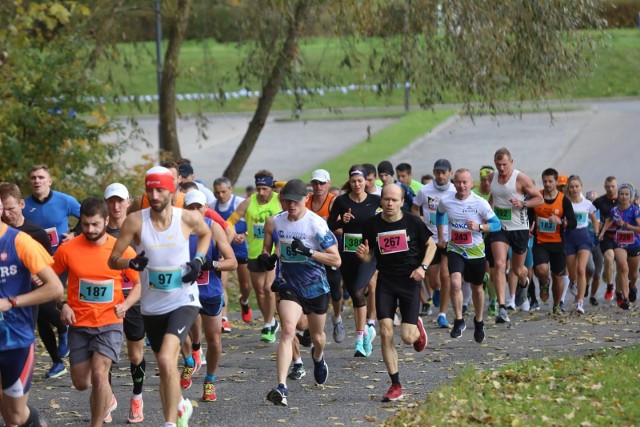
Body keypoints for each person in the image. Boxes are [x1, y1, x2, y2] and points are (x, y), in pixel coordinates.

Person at [108, 166, 212, 427]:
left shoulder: (186, 218)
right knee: (167, 368)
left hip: (184, 300)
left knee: (166, 358)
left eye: (160, 190)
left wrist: (198, 260)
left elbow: (206, 233)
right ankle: (180, 406)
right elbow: (113, 260)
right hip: (152, 306)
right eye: (150, 190)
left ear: (172, 191)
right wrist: (130, 265)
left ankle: (169, 423)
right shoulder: (135, 221)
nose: (154, 195)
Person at [53, 197, 141, 426]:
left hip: (110, 322)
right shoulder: (68, 249)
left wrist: (127, 304)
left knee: (100, 374)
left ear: (106, 220)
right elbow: (50, 280)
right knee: (82, 383)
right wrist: (62, 304)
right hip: (79, 324)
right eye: (85, 224)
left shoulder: (121, 249)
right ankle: (105, 397)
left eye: (95, 224)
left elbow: (140, 283)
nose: (90, 229)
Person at [262, 179, 341, 406]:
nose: (291, 205)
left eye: (296, 201)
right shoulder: (277, 221)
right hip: (289, 285)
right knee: (288, 330)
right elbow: (274, 248)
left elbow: (336, 259)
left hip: (316, 286)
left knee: (317, 337)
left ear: (305, 199)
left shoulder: (316, 224)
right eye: (287, 200)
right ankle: (281, 387)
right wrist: (268, 258)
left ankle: (318, 357)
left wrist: (309, 252)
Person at [356, 184, 435, 402]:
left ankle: (417, 328)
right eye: (386, 199)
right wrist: (363, 256)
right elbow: (370, 256)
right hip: (386, 282)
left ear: (402, 202)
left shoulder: (413, 222)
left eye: (394, 200)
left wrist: (423, 268)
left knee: (408, 338)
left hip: (410, 281)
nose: (390, 203)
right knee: (386, 331)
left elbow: (432, 246)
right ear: (381, 201)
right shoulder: (372, 225)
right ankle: (395, 384)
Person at [0, 195, 64, 427]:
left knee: (15, 415)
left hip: (16, 339)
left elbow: (55, 288)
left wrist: (11, 302)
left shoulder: (19, 241)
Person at [23, 164, 81, 379]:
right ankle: (57, 362)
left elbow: (90, 215)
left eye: (41, 177)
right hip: (36, 265)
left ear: (49, 181)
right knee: (40, 316)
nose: (37, 181)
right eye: (33, 178)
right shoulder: (23, 206)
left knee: (44, 304)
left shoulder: (64, 200)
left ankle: (64, 327)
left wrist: (74, 234)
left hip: (60, 261)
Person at [180, 190, 237, 402]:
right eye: (190, 207)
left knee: (214, 339)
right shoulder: (176, 230)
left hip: (209, 292)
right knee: (175, 333)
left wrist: (211, 264)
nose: (194, 212)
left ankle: (210, 379)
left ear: (206, 208)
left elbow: (232, 262)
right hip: (184, 291)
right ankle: (188, 361)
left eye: (198, 207)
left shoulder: (213, 228)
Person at [436, 169, 501, 341]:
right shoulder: (446, 200)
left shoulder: (480, 203)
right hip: (455, 249)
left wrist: (479, 227)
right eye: (458, 182)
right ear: (453, 183)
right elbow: (440, 214)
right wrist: (441, 235)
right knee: (455, 282)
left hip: (475, 252)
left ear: (472, 184)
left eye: (465, 182)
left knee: (477, 289)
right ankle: (459, 320)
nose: (461, 186)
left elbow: (497, 225)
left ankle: (478, 321)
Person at [103, 183, 147, 423]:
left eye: (120, 201)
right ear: (106, 204)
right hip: (106, 299)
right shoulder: (96, 230)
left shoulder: (138, 230)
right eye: (111, 201)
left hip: (134, 297)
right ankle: (107, 397)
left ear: (128, 202)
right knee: (103, 354)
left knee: (135, 355)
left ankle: (137, 398)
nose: (116, 206)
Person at [328, 166, 381, 356]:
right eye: (353, 181)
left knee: (359, 292)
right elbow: (330, 225)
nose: (357, 184)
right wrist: (343, 220)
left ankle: (359, 339)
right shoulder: (341, 201)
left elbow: (386, 220)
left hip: (368, 254)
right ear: (349, 182)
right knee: (354, 294)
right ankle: (367, 332)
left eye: (360, 181)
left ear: (366, 181)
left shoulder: (376, 201)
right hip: (348, 253)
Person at [226, 170, 282, 343]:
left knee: (268, 288)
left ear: (271, 187)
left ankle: (267, 324)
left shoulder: (279, 199)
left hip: (274, 252)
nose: (261, 192)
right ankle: (271, 321)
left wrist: (279, 185)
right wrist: (234, 234)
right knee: (259, 291)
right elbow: (229, 222)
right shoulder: (248, 203)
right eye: (259, 188)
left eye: (265, 188)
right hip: (254, 253)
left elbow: (298, 189)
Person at [488, 148, 543, 323]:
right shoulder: (492, 177)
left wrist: (523, 203)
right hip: (499, 227)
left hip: (519, 228)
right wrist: (487, 212)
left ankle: (524, 283)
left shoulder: (520, 178)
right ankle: (502, 308)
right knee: (499, 264)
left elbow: (539, 199)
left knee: (518, 269)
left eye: (504, 164)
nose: (501, 168)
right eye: (498, 165)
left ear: (512, 161)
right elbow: (493, 197)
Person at [0, 182, 53, 328]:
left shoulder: (37, 233)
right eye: (3, 209)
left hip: (28, 296)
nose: (6, 214)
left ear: (22, 204)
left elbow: (50, 266)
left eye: (11, 209)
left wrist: (38, 274)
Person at [412, 159, 456, 328]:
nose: (440, 175)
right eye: (437, 172)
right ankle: (436, 290)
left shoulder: (454, 190)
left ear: (449, 173)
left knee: (446, 276)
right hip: (430, 239)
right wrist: (420, 221)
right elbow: (415, 207)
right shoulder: (425, 190)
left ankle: (443, 315)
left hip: (449, 238)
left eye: (444, 172)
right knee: (433, 281)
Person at [530, 169, 576, 315]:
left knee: (557, 276)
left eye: (550, 181)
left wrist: (561, 221)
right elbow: (529, 216)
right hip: (540, 241)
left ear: (556, 182)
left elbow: (573, 222)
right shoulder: (537, 197)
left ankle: (556, 305)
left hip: (558, 243)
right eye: (545, 181)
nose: (548, 184)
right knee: (541, 270)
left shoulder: (563, 200)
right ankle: (544, 283)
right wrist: (529, 227)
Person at [305, 169, 343, 343]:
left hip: (330, 250)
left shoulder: (334, 202)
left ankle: (337, 318)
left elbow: (342, 227)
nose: (318, 186)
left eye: (321, 183)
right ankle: (308, 324)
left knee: (335, 288)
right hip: (311, 252)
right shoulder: (306, 201)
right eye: (315, 183)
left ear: (328, 183)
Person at [212, 177, 252, 331]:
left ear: (230, 189)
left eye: (223, 191)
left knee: (245, 285)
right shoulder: (213, 206)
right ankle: (224, 318)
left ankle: (245, 301)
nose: (221, 195)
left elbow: (254, 222)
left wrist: (245, 234)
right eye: (217, 192)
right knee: (221, 284)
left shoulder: (239, 203)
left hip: (241, 248)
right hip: (223, 248)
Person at [599, 183, 640, 310]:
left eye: (626, 194)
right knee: (623, 267)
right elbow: (610, 220)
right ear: (618, 196)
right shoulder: (614, 210)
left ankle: (632, 286)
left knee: (633, 274)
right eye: (621, 194)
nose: (623, 197)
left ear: (630, 196)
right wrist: (602, 232)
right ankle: (625, 298)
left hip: (634, 243)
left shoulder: (635, 210)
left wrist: (626, 225)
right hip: (619, 243)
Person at [565, 176, 599, 314]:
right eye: (572, 186)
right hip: (569, 238)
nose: (574, 189)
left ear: (581, 187)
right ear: (568, 187)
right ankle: (573, 283)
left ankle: (580, 302)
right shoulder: (565, 203)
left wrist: (596, 233)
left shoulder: (587, 204)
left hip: (584, 238)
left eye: (577, 186)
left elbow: (595, 220)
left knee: (581, 269)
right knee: (572, 274)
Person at [593, 176, 618, 301]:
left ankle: (608, 274)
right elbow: (589, 214)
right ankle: (610, 286)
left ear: (616, 186)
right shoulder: (599, 201)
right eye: (608, 187)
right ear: (604, 187)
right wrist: (597, 223)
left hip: (621, 236)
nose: (610, 189)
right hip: (606, 235)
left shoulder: (622, 200)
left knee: (621, 264)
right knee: (609, 257)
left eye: (612, 186)